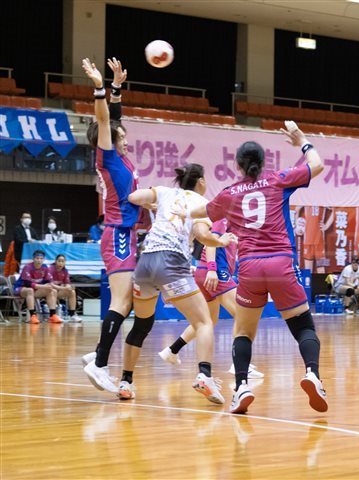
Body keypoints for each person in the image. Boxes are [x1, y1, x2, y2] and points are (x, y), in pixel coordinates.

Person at [187, 121, 327, 415]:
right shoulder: (278, 179)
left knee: (243, 331)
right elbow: (317, 165)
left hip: (249, 267)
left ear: (238, 165)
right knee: (303, 326)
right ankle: (313, 374)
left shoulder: (229, 193)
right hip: (281, 262)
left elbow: (200, 211)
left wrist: (176, 207)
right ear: (263, 163)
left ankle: (241, 388)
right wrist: (302, 140)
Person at [125, 163, 237, 403]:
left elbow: (134, 197)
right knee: (204, 322)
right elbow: (204, 236)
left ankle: (125, 381)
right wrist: (222, 241)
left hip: (145, 263)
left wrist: (152, 204)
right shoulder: (201, 204)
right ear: (201, 181)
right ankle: (204, 376)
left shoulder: (164, 192)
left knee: (140, 325)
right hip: (172, 263)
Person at [80, 57, 142, 395]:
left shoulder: (121, 157)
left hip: (125, 234)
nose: (126, 137)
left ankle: (98, 353)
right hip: (117, 233)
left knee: (126, 301)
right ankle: (101, 362)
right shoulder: (107, 155)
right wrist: (99, 88)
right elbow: (105, 119)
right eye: (122, 136)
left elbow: (113, 117)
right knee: (122, 300)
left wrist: (117, 85)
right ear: (111, 139)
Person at [158, 217, 264, 380]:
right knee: (243, 315)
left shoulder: (236, 226)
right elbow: (210, 243)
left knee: (207, 321)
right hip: (215, 272)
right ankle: (240, 365)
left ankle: (172, 351)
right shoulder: (223, 219)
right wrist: (212, 269)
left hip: (206, 272)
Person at [14, 250, 63, 324]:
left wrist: (52, 285)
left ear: (43, 259)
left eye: (41, 258)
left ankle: (52, 315)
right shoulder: (27, 267)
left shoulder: (45, 267)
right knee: (30, 290)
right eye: (37, 258)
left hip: (36, 289)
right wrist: (43, 286)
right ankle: (32, 316)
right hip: (21, 288)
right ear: (33, 259)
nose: (39, 260)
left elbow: (49, 281)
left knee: (52, 291)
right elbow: (27, 284)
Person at [295, 206, 333, 273]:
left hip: (320, 241)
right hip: (307, 241)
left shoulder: (323, 201)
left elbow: (334, 209)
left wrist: (326, 226)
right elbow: (296, 209)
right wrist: (297, 227)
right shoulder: (305, 201)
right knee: (308, 270)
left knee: (321, 270)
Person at [49, 254, 82, 322]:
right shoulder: (50, 269)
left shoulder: (65, 271)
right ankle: (53, 315)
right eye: (59, 261)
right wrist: (64, 288)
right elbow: (50, 285)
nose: (61, 263)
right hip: (49, 292)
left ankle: (72, 314)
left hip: (59, 291)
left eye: (63, 261)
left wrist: (69, 287)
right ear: (55, 261)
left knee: (72, 292)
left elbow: (67, 283)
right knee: (53, 291)